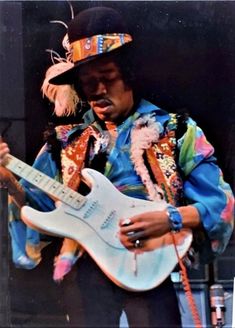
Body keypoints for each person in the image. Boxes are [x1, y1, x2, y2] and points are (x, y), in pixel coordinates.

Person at [0, 6, 234, 328]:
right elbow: (40, 207)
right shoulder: (65, 142)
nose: (97, 90)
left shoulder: (176, 130)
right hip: (86, 270)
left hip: (150, 264)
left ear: (129, 75)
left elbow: (220, 204)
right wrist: (9, 178)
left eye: (107, 78)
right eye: (87, 82)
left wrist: (169, 218)